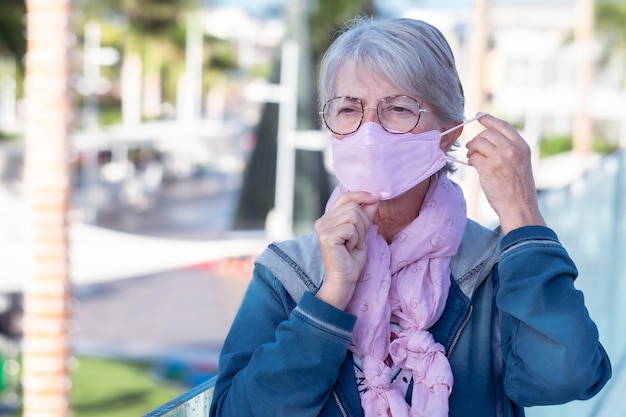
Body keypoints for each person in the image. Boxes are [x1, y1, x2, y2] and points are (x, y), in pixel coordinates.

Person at [209, 16, 611, 417]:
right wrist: (331, 294)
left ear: (450, 132)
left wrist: (522, 215)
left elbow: (568, 377)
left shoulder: (492, 269)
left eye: (399, 109)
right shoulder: (290, 270)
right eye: (349, 108)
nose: (369, 132)